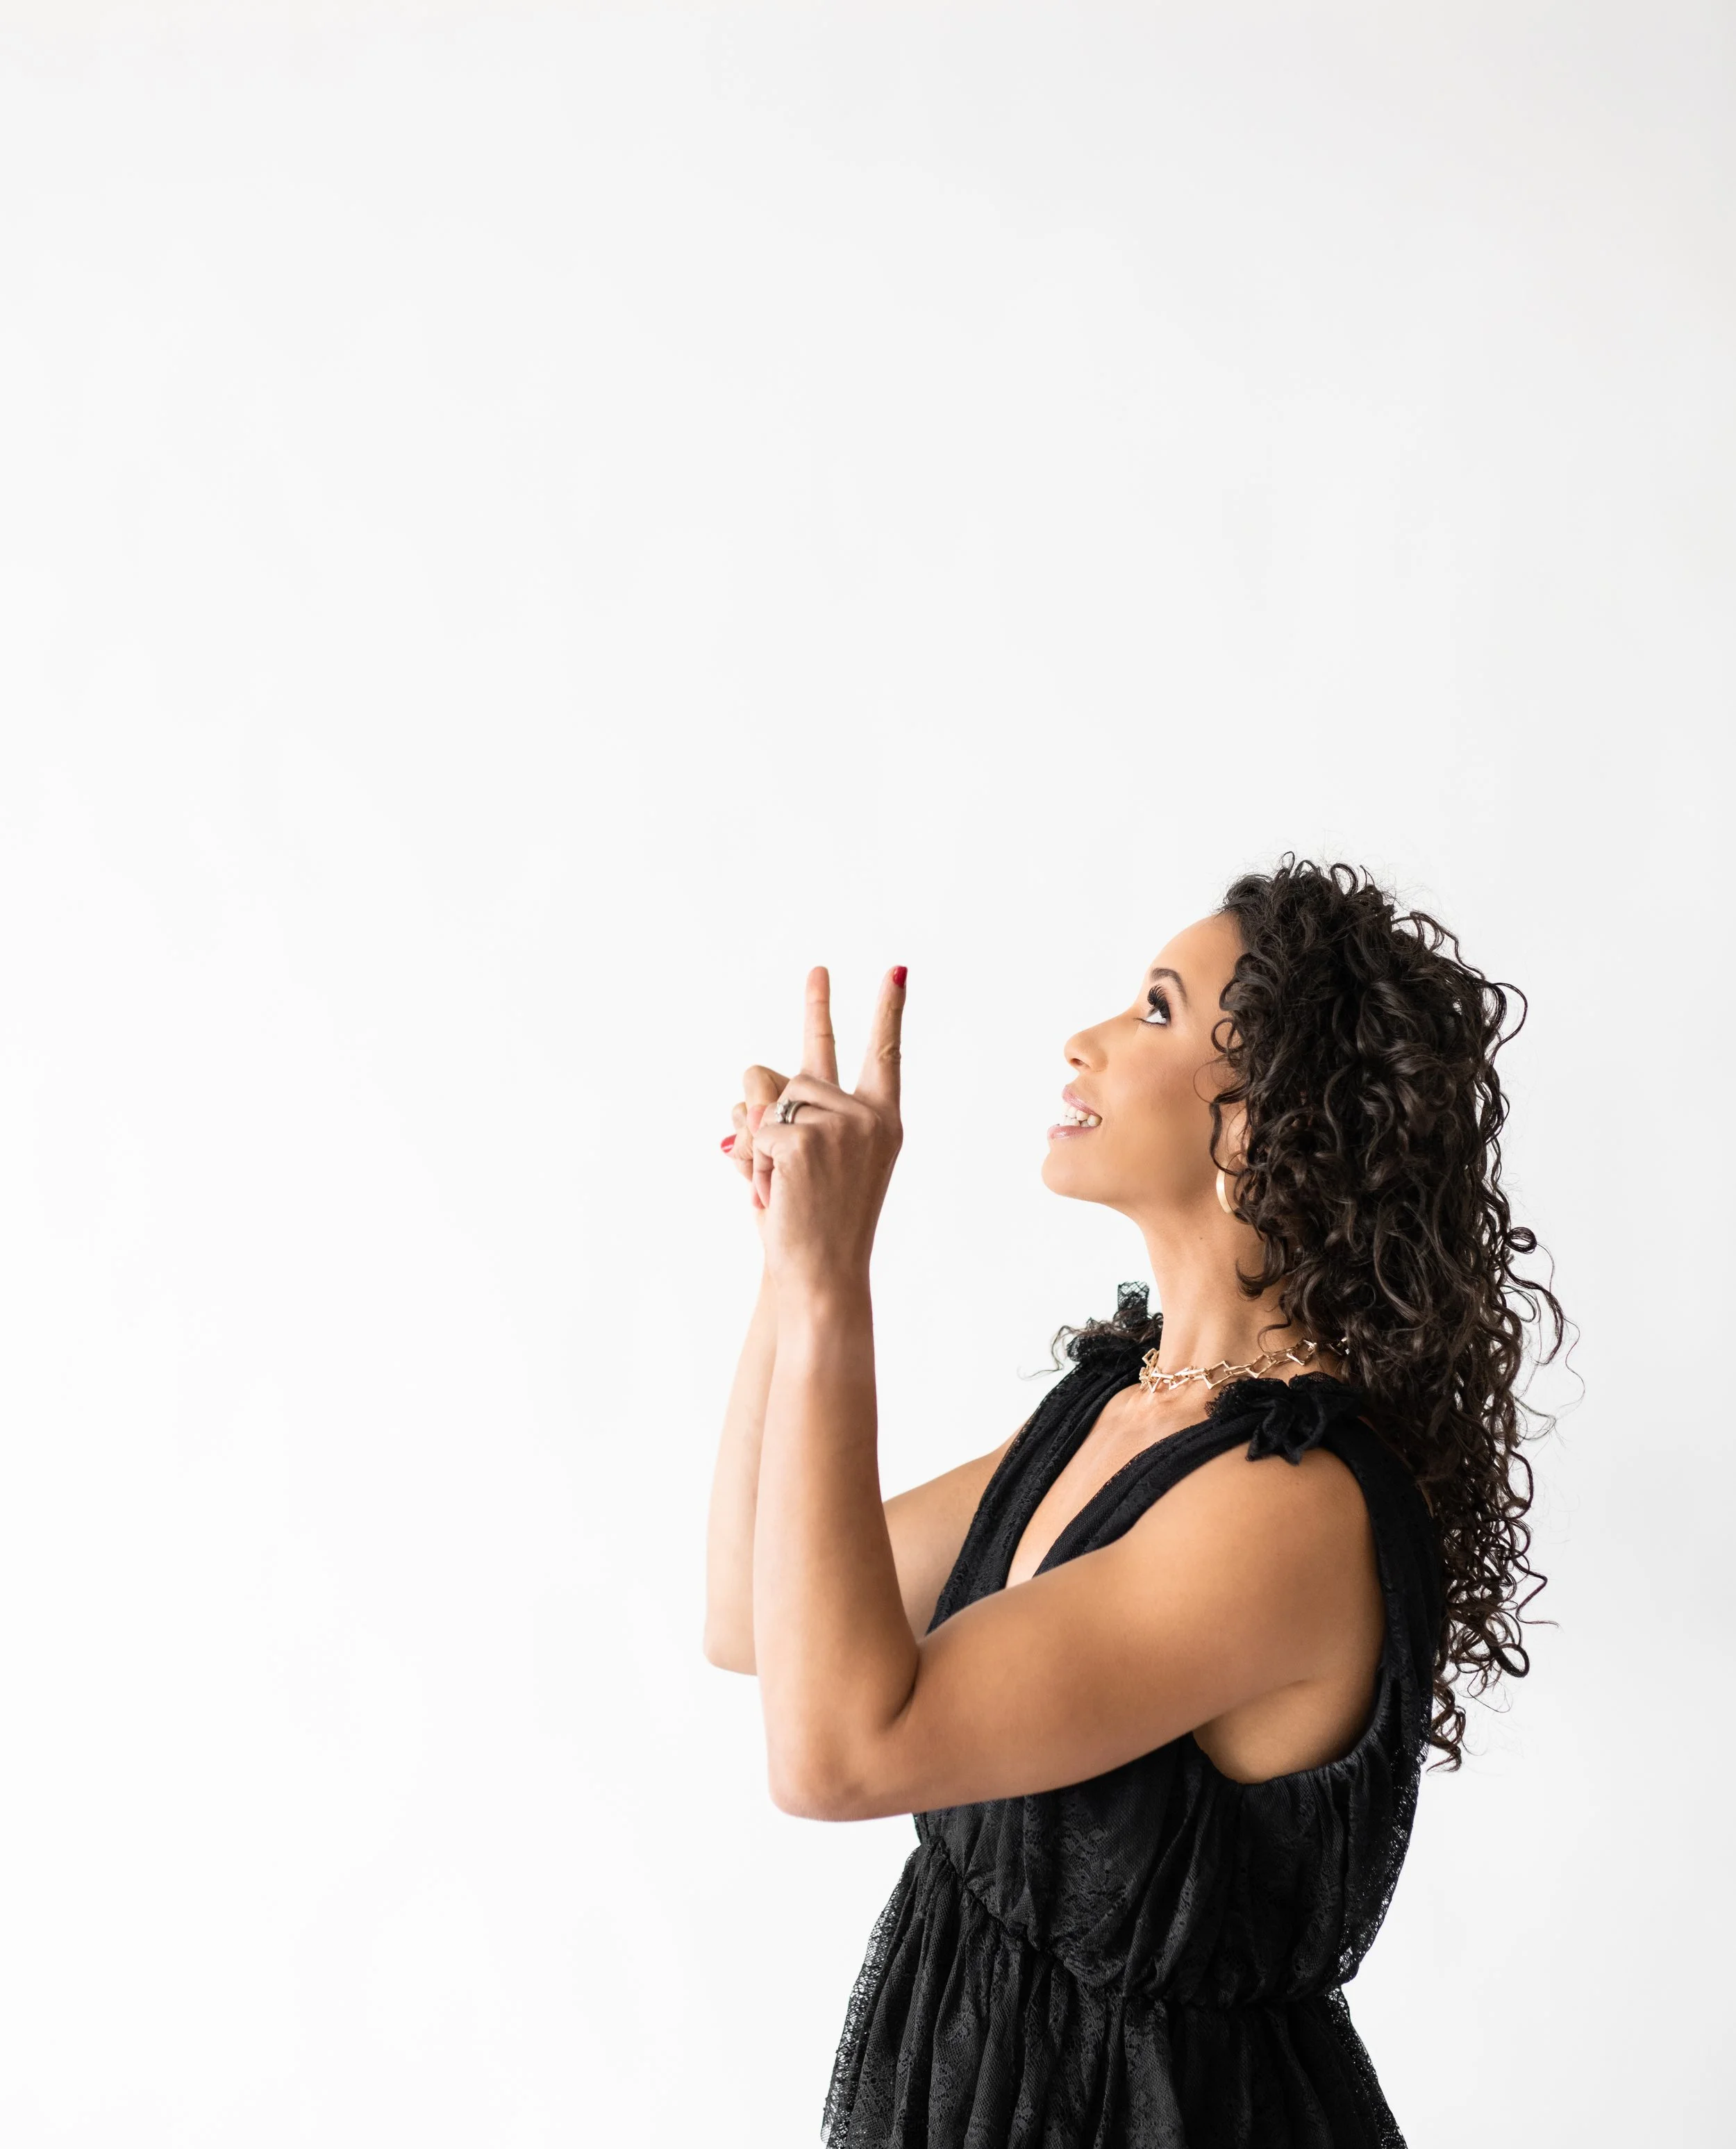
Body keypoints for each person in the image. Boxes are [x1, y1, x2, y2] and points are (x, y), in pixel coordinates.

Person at [703, 857, 1563, 2148]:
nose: (1085, 1040)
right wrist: (793, 1259)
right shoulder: (1125, 1399)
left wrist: (837, 1287)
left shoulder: (1290, 1508)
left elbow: (837, 1754)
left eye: (1157, 1009)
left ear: (1259, 1122)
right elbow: (751, 1618)